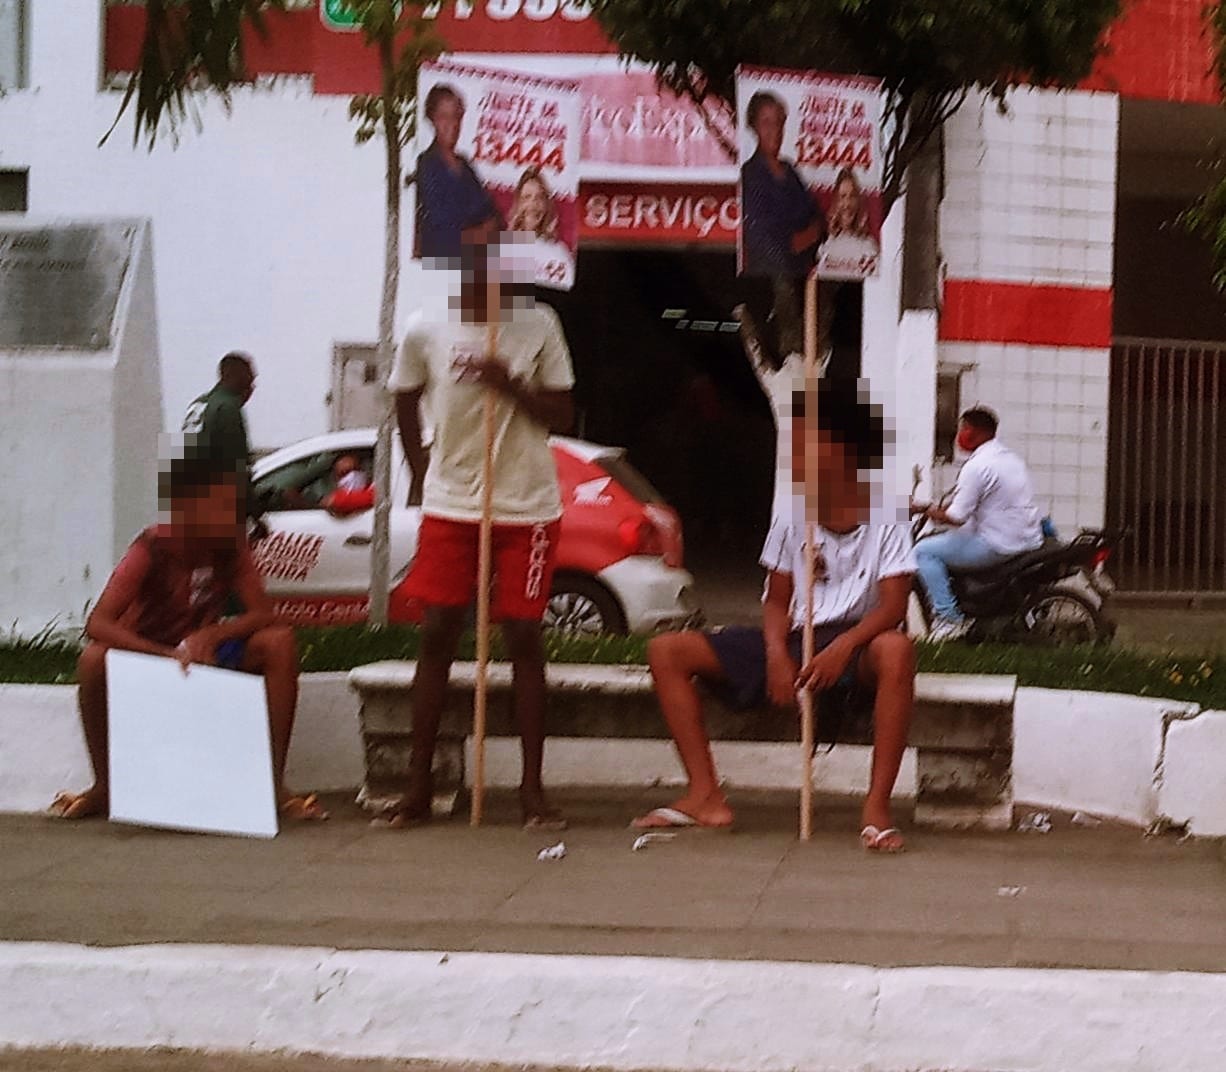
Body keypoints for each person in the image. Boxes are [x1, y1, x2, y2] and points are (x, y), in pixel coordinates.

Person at [633, 379, 917, 853]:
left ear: (846, 451)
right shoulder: (793, 513)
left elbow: (893, 607)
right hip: (795, 637)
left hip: (858, 640)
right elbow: (776, 600)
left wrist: (843, 646)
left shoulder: (886, 512)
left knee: (898, 650)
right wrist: (775, 654)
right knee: (667, 650)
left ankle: (876, 807)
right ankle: (704, 794)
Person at [387, 241, 576, 830]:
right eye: (473, 269)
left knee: (522, 633)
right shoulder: (426, 327)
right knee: (439, 629)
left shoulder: (538, 322)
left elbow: (564, 415)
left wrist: (511, 384)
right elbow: (403, 394)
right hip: (453, 502)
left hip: (526, 505)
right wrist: (419, 470)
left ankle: (532, 790)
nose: (486, 280)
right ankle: (418, 787)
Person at [48, 459, 327, 822]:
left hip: (205, 655)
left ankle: (273, 786)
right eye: (218, 507)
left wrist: (211, 635)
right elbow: (98, 623)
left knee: (278, 643)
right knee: (93, 660)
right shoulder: (153, 546)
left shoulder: (230, 546)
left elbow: (263, 614)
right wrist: (165, 653)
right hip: (150, 654)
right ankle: (105, 786)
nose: (229, 517)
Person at [912, 407, 1044, 642]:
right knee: (943, 541)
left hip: (997, 544)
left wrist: (926, 509)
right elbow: (974, 502)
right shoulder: (1009, 458)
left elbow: (957, 517)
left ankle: (949, 619)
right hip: (1025, 537)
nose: (959, 434)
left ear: (973, 431)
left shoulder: (977, 466)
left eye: (963, 428)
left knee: (922, 551)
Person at [740, 91, 825, 277]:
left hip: (802, 274)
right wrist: (803, 238)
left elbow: (817, 216)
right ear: (754, 127)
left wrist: (808, 235)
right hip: (767, 279)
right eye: (767, 123)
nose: (775, 130)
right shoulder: (750, 174)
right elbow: (764, 238)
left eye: (779, 122)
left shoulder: (790, 171)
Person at [415, 84, 501, 263]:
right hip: (442, 263)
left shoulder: (465, 166)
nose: (452, 125)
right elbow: (442, 232)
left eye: (456, 117)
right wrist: (482, 231)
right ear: (432, 119)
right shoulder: (426, 164)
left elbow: (491, 214)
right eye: (444, 117)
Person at [182, 351, 256, 519]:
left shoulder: (197, 404)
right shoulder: (228, 407)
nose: (252, 384)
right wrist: (253, 511)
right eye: (250, 377)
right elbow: (237, 468)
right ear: (238, 377)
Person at [507, 166, 575, 288]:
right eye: (527, 197)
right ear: (518, 203)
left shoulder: (558, 253)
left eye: (539, 198)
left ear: (546, 205)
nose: (533, 205)